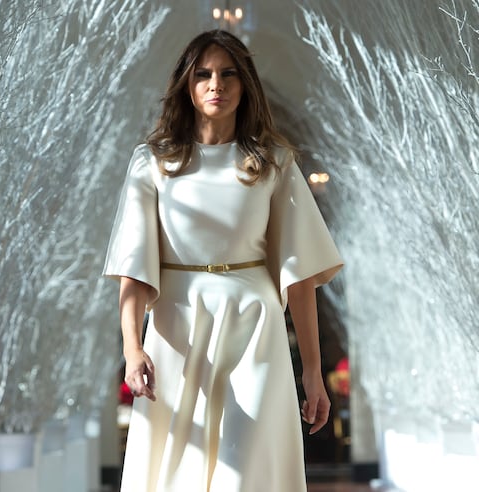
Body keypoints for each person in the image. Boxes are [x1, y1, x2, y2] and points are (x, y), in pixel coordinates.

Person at [102, 30, 343, 491]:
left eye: (229, 73)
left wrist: (313, 372)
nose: (217, 84)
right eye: (204, 74)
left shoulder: (275, 163)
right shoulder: (151, 163)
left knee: (244, 467)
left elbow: (299, 276)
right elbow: (133, 269)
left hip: (255, 326)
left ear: (245, 84)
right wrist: (132, 349)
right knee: (180, 470)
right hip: (175, 325)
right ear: (187, 86)